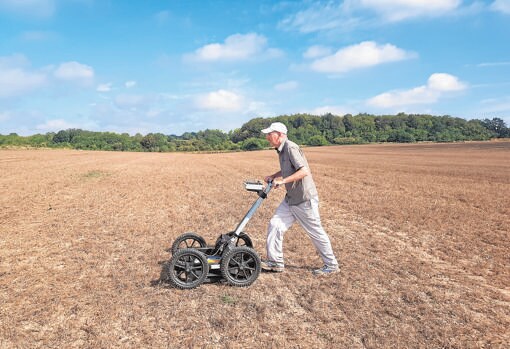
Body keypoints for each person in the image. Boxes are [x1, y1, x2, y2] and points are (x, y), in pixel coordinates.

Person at [260, 122, 340, 275]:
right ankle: (275, 262)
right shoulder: (281, 150)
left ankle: (331, 265)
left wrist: (282, 181)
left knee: (315, 232)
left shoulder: (290, 147)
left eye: (270, 134)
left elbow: (304, 171)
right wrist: (274, 176)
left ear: (280, 135)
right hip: (290, 198)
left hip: (304, 199)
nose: (267, 137)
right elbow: (287, 169)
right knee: (275, 225)